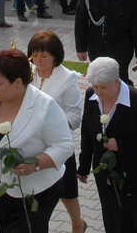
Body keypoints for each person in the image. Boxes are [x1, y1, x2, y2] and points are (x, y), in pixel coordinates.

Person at [0, 49, 74, 233]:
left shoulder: (45, 106)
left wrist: (35, 164)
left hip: (37, 191)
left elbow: (65, 145)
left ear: (18, 82)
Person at [77, 57, 137, 233]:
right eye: (95, 86)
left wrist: (121, 144)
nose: (98, 92)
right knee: (112, 218)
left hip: (135, 174)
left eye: (103, 87)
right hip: (105, 172)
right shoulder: (90, 96)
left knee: (133, 220)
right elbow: (87, 131)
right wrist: (83, 165)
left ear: (116, 81)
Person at [27, 31, 86, 233]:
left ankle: (77, 222)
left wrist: (52, 126)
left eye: (44, 55)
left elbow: (75, 117)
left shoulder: (67, 78)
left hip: (57, 144)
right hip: (30, 143)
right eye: (35, 55)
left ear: (55, 55)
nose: (38, 60)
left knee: (67, 190)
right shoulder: (27, 72)